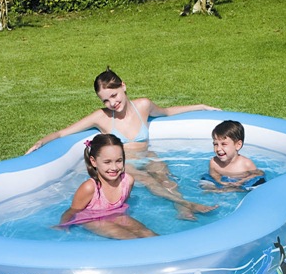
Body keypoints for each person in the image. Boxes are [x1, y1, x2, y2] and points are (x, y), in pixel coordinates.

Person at [27, 67, 219, 220]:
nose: (112, 103)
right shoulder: (101, 117)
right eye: (106, 100)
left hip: (147, 155)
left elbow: (167, 112)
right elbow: (64, 132)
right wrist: (41, 142)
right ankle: (188, 204)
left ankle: (181, 207)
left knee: (167, 179)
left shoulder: (143, 105)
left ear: (123, 86)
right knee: (149, 181)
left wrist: (200, 106)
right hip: (125, 163)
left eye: (114, 95)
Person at [58, 133, 157, 240]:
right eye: (107, 162)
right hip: (92, 219)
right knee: (127, 237)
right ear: (93, 161)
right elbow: (72, 211)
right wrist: (63, 226)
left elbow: (123, 204)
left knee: (148, 234)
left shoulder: (127, 181)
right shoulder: (90, 188)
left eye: (118, 161)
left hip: (116, 215)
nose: (114, 167)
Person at [200, 120, 265, 192]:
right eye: (215, 144)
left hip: (241, 184)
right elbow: (214, 174)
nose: (218, 149)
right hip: (222, 183)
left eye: (224, 144)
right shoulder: (214, 162)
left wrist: (240, 182)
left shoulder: (246, 164)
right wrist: (220, 181)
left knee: (256, 187)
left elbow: (258, 174)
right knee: (205, 184)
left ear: (238, 145)